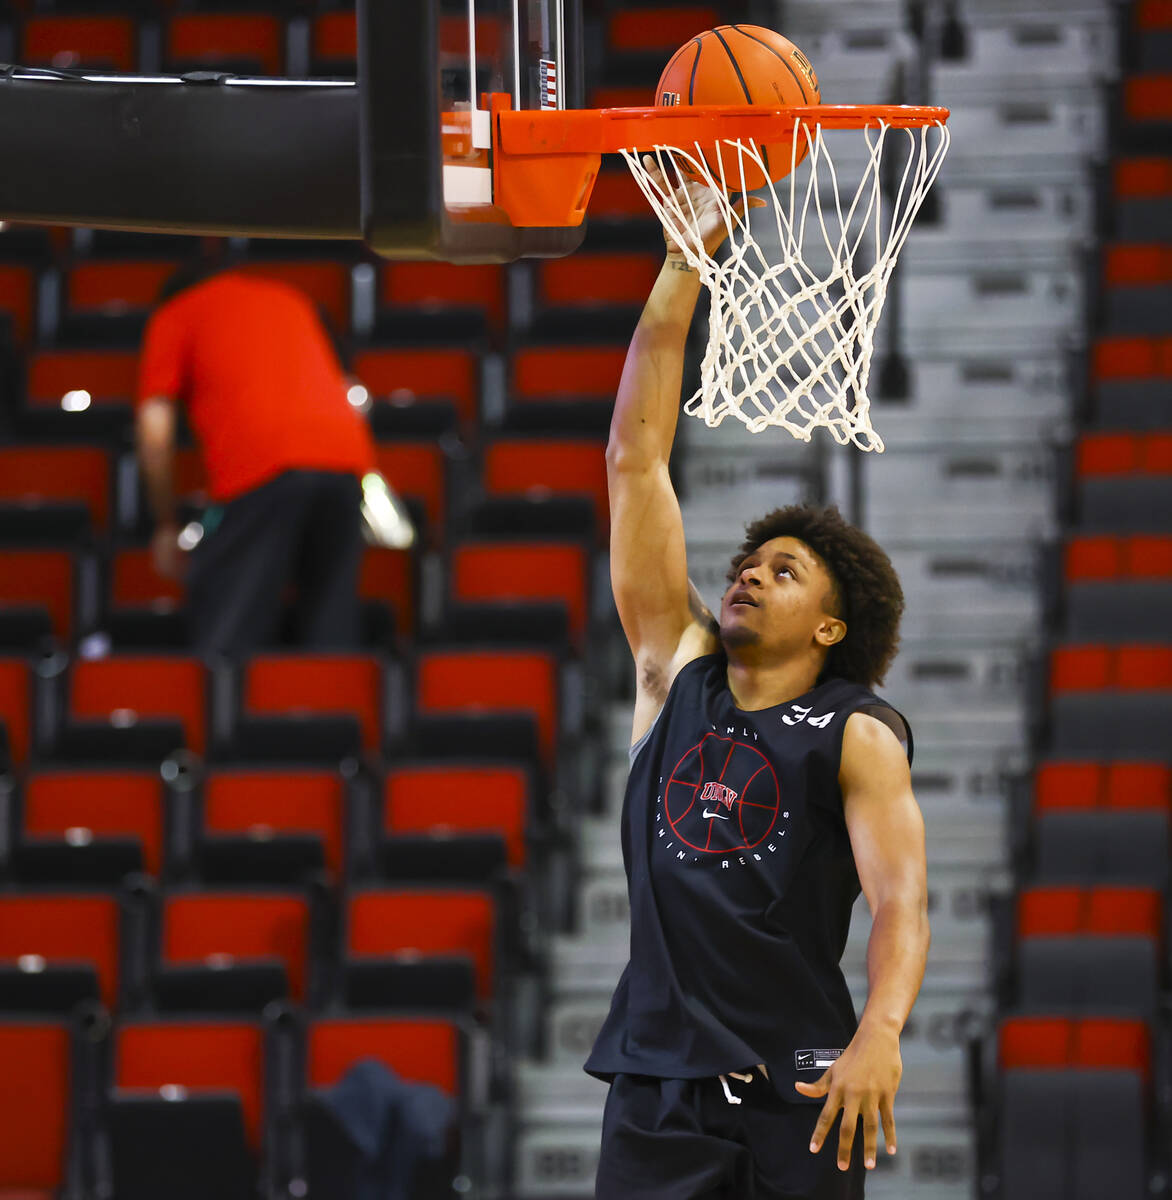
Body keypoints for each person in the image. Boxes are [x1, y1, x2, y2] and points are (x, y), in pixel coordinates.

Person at [584, 166, 930, 1199]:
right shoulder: (674, 670)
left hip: (803, 1088)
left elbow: (899, 898)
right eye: (747, 562)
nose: (748, 574)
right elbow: (632, 464)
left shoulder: (855, 731)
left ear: (831, 625)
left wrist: (880, 1033)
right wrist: (684, 261)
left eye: (785, 572)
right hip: (653, 1085)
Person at [136, 260, 378, 657]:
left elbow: (154, 430)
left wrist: (165, 524)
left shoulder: (176, 312)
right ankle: (332, 716)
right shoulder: (291, 299)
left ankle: (221, 717)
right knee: (331, 635)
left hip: (265, 464)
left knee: (227, 631)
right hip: (345, 462)